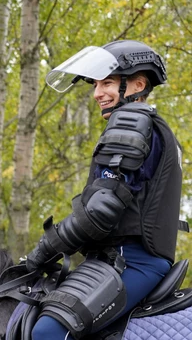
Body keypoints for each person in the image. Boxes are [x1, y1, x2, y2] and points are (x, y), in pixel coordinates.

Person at [27, 40, 186, 340]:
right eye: (97, 84)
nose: (98, 93)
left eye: (108, 83)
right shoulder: (152, 125)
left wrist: (45, 249)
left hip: (132, 260)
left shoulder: (131, 121)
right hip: (121, 258)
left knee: (47, 333)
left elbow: (101, 211)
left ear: (138, 83)